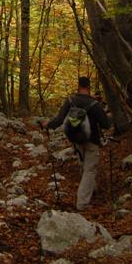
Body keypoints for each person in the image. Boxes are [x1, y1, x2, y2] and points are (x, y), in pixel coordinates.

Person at [42, 76, 111, 211]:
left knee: (85, 167)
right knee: (89, 170)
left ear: (78, 86)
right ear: (89, 87)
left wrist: (48, 125)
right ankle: (82, 203)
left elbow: (59, 120)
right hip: (92, 141)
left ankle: (92, 190)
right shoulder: (95, 104)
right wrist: (111, 116)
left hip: (76, 140)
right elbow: (105, 124)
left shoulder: (70, 100)